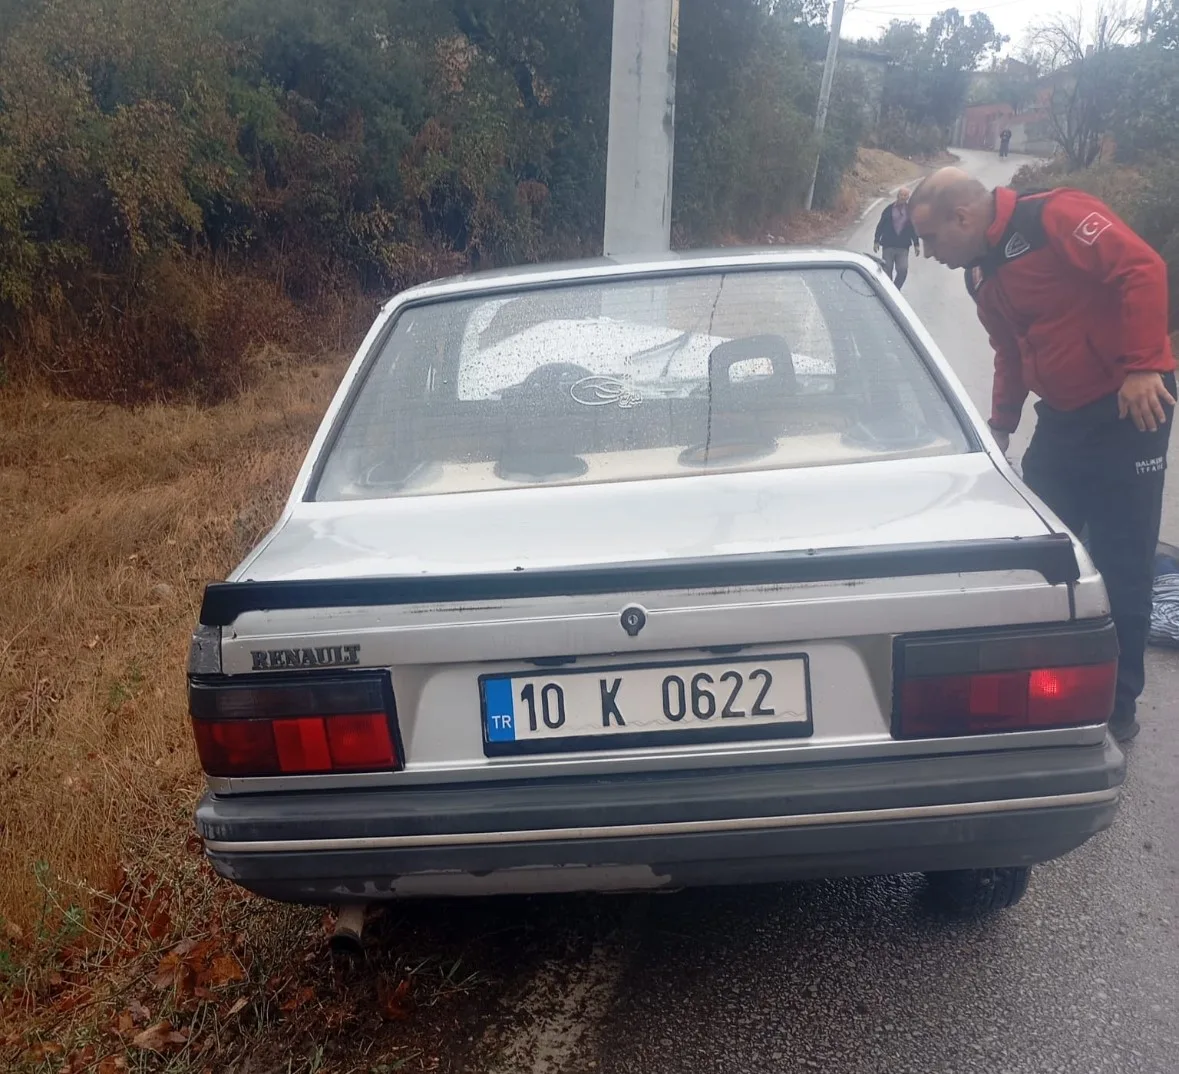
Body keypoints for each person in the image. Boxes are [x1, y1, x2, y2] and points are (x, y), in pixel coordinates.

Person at [908, 167, 1177, 742]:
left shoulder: (1056, 217)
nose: (927, 254)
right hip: (1062, 419)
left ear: (963, 217)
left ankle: (1117, 706)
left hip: (1130, 408)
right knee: (1042, 552)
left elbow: (1142, 268)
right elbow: (1008, 349)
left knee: (1121, 561)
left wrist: (1143, 364)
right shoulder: (978, 272)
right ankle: (1038, 685)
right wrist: (1000, 425)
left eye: (930, 240)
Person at [873, 187, 921, 290]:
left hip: (903, 247)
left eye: (905, 195)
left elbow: (914, 228)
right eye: (901, 195)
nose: (903, 197)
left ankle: (895, 290)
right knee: (887, 270)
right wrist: (876, 241)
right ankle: (889, 290)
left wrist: (916, 244)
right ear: (897, 196)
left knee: (903, 270)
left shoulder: (910, 211)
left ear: (908, 197)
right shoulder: (888, 209)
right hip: (888, 245)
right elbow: (880, 225)